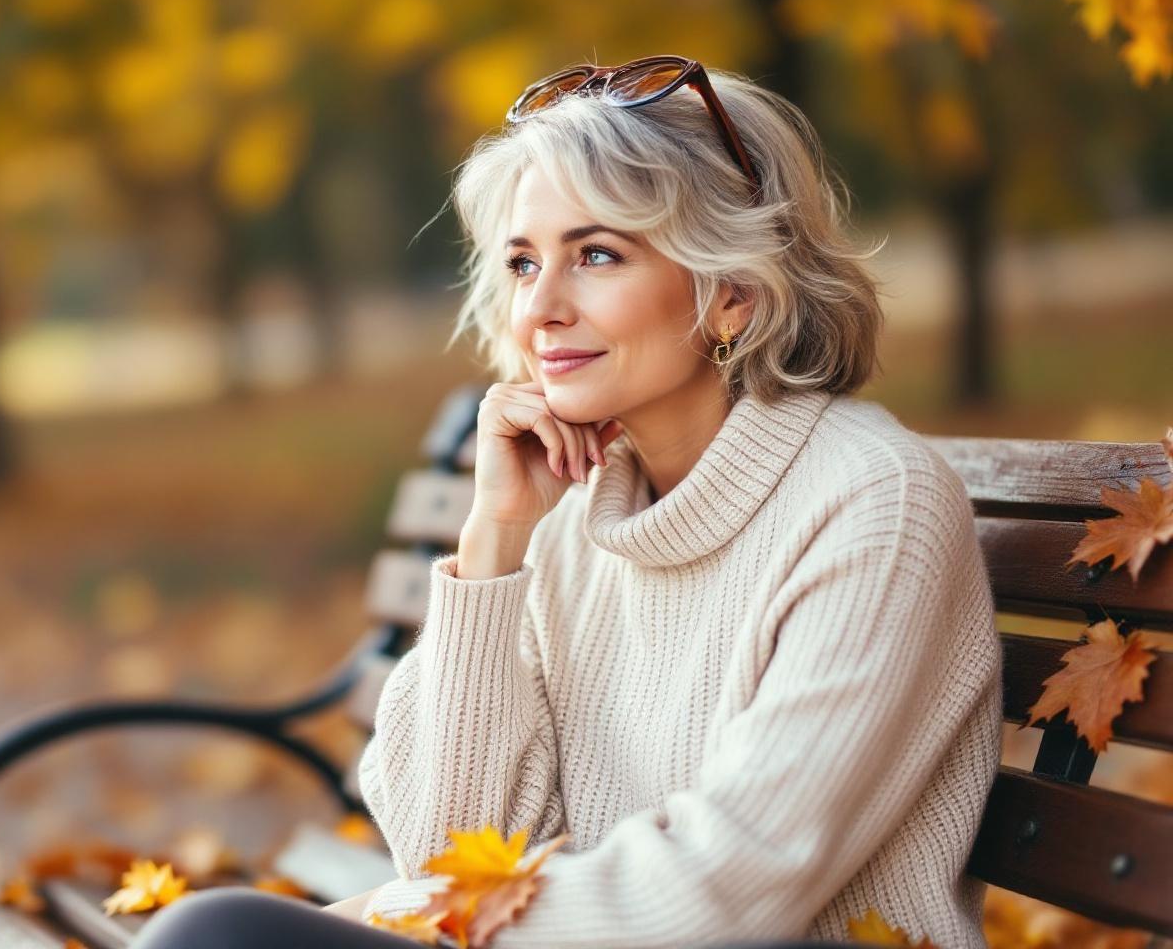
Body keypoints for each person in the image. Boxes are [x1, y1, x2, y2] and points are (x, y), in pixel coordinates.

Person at [131, 56, 1002, 949]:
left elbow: (721, 895)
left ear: (732, 292)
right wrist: (497, 541)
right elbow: (447, 849)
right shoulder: (574, 522)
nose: (540, 307)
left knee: (213, 936)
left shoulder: (870, 505)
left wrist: (403, 913)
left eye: (595, 254)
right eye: (520, 262)